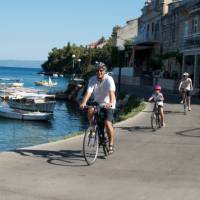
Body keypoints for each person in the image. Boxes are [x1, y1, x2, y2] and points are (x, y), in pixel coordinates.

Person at [80, 62, 116, 154]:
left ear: (104, 71)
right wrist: (83, 102)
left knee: (107, 123)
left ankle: (111, 144)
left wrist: (110, 103)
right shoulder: (92, 79)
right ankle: (92, 128)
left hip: (109, 103)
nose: (99, 72)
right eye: (97, 70)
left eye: (101, 70)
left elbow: (112, 93)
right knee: (90, 109)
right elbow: (88, 93)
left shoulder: (109, 79)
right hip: (97, 102)